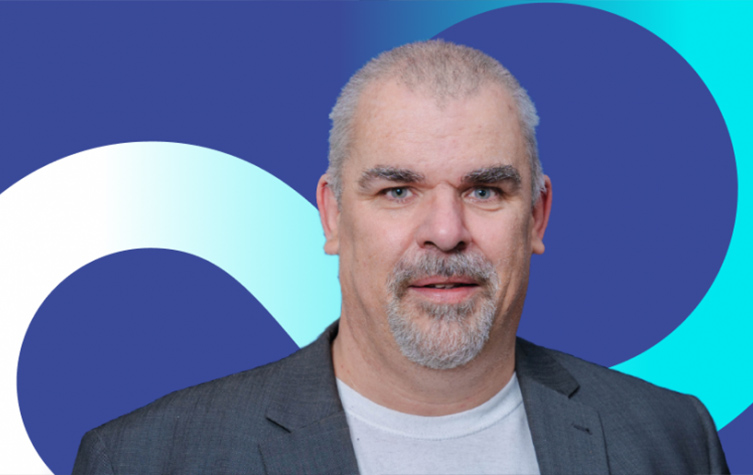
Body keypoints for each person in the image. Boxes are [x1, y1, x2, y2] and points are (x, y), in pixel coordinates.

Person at [73, 40, 729, 474]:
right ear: (332, 215)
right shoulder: (147, 458)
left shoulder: (671, 440)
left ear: (536, 214)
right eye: (397, 190)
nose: (444, 232)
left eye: (483, 190)